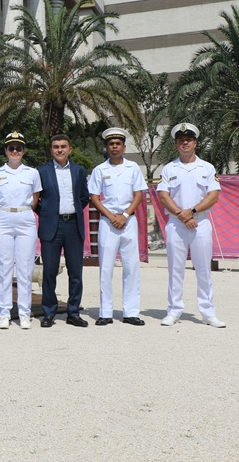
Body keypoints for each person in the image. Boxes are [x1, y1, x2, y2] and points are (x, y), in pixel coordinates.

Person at [157, 123, 225, 328]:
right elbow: (163, 195)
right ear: (176, 144)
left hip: (201, 222)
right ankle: (174, 310)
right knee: (175, 269)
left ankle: (208, 311)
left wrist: (192, 212)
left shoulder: (207, 167)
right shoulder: (169, 168)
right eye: (180, 140)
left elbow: (213, 195)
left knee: (203, 269)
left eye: (188, 139)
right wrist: (182, 215)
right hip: (176, 224)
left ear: (195, 142)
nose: (184, 142)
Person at [88, 127, 146, 327]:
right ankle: (105, 312)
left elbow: (138, 194)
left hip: (128, 220)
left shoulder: (133, 168)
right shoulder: (99, 170)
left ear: (123, 146)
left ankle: (130, 312)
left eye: (118, 144)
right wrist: (112, 216)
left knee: (131, 266)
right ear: (107, 147)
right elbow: (94, 197)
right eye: (111, 144)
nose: (114, 147)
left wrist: (125, 215)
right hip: (108, 221)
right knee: (106, 267)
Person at [0, 132, 41, 329]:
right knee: (4, 268)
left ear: (24, 150)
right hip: (3, 218)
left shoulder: (32, 173)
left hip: (25, 218)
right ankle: (4, 312)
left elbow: (35, 197)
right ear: (6, 151)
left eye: (19, 147)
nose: (15, 151)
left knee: (26, 268)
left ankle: (24, 312)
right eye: (11, 148)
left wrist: (24, 212)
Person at [37, 134, 91, 328]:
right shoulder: (42, 171)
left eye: (63, 146)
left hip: (73, 226)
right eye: (55, 146)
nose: (59, 149)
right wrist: (47, 214)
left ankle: (73, 312)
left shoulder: (78, 171)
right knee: (49, 272)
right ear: (51, 150)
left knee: (75, 273)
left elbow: (84, 197)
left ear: (70, 149)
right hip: (52, 226)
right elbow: (36, 199)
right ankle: (49, 312)